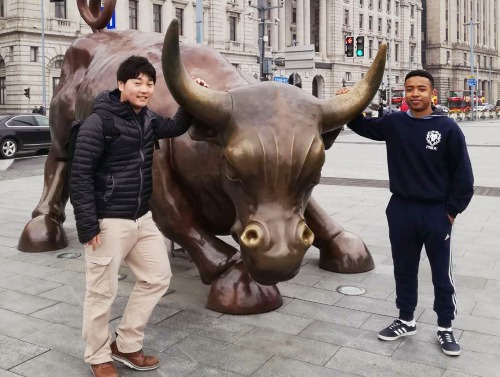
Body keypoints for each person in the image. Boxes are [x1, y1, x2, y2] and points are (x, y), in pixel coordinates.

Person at [70, 55, 208, 377]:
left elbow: (176, 126)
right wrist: (88, 225)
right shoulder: (98, 123)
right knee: (102, 292)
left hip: (141, 219)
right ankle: (98, 356)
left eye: (149, 83)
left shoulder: (147, 119)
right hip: (108, 221)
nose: (144, 89)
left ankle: (127, 344)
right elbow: (80, 175)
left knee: (158, 277)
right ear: (121, 85)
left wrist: (191, 96)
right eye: (137, 82)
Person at [337, 70, 474, 356]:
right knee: (404, 269)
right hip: (401, 209)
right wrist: (348, 101)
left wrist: (450, 213)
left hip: (436, 213)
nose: (414, 94)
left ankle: (445, 327)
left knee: (441, 274)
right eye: (409, 88)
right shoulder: (395, 123)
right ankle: (406, 319)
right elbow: (362, 126)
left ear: (431, 93)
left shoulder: (447, 128)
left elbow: (464, 178)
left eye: (421, 89)